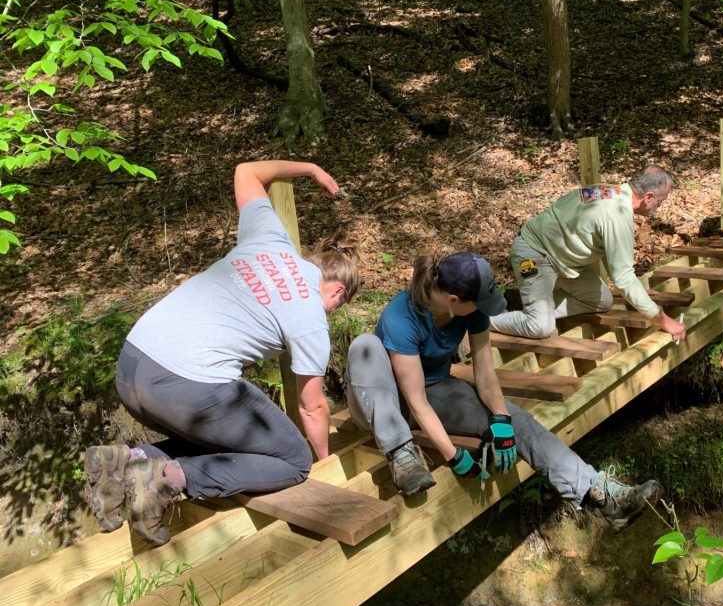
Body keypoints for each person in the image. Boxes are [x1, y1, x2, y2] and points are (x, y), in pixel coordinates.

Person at [83, 160, 360, 546]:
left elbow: (246, 171)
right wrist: (324, 464)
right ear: (337, 293)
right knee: (292, 461)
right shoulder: (311, 316)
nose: (331, 314)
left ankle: (126, 460)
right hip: (184, 384)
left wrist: (310, 168)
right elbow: (312, 407)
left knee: (234, 437)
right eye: (337, 308)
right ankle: (165, 480)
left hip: (132, 366)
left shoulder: (271, 240)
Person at [346, 251, 664, 532]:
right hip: (380, 402)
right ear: (454, 301)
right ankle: (401, 455)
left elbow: (485, 374)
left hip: (434, 389)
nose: (485, 310)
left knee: (517, 419)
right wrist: (452, 455)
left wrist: (500, 418)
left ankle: (602, 494)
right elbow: (415, 402)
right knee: (365, 346)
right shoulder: (401, 317)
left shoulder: (471, 310)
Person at [489, 166, 687, 343]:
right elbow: (623, 278)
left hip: (564, 261)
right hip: (535, 253)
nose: (659, 207)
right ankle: (479, 323)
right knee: (540, 327)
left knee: (601, 301)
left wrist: (638, 295)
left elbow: (614, 258)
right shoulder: (617, 215)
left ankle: (534, 308)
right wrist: (663, 320)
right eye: (661, 201)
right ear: (649, 196)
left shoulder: (608, 191)